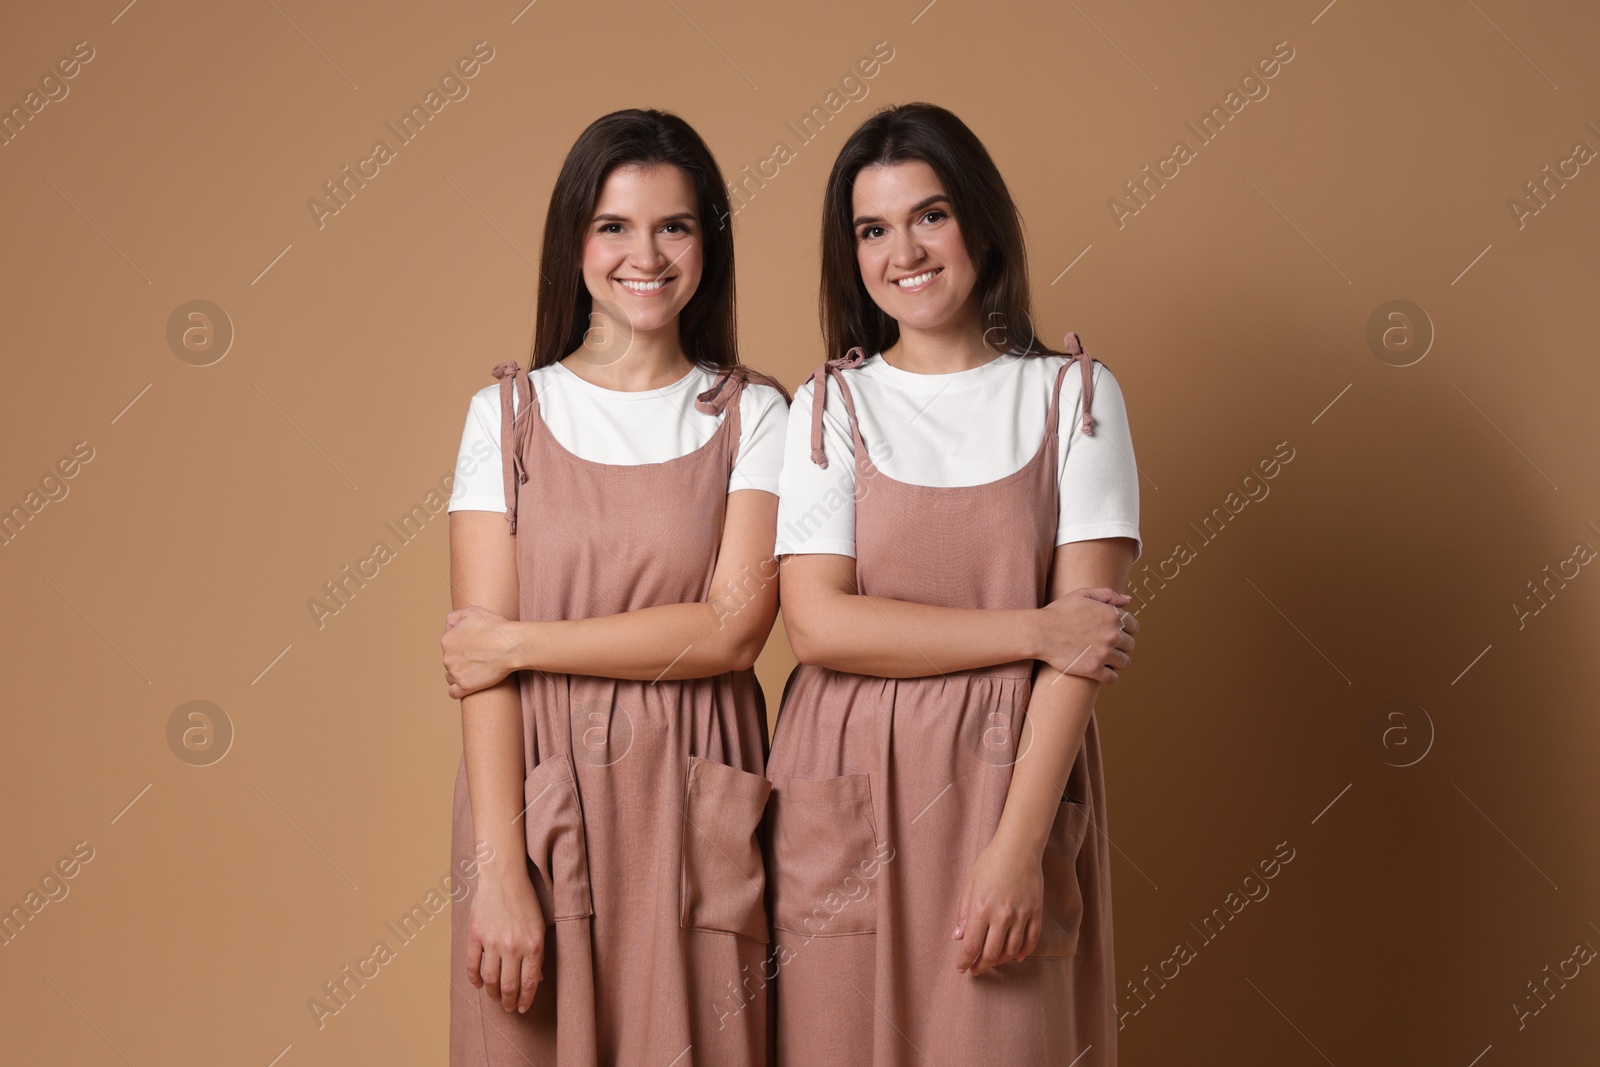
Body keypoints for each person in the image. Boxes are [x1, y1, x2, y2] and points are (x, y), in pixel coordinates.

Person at [765, 102, 1143, 1066]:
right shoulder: (826, 408)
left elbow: (1085, 648)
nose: (905, 250)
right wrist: (1032, 628)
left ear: (979, 220)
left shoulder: (1077, 397)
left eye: (929, 215)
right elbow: (818, 625)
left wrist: (1018, 847)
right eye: (873, 229)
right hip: (844, 777)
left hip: (1007, 778)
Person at [441, 108, 789, 1066]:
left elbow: (729, 632)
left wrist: (520, 640)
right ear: (575, 241)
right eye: (615, 226)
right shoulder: (505, 415)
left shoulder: (755, 412)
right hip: (537, 795)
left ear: (706, 244)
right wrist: (499, 872)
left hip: (692, 790)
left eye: (673, 226)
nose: (648, 254)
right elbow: (479, 673)